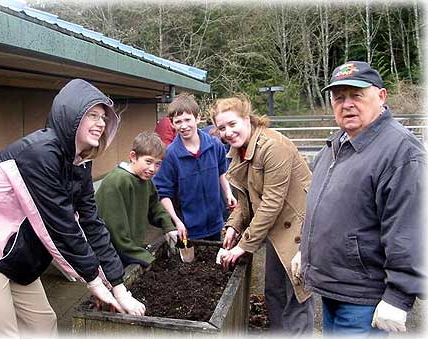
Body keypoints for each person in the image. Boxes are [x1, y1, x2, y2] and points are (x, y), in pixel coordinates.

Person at [0, 79, 145, 337]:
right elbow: (62, 226)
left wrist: (118, 286)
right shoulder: (40, 154)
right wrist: (94, 283)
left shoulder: (79, 163)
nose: (101, 123)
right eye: (92, 114)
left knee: (42, 324)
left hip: (14, 253)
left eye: (103, 117)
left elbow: (91, 223)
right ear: (71, 114)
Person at [291, 61, 426, 335]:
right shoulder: (337, 144)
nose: (347, 104)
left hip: (365, 299)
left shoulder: (400, 152)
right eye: (339, 97)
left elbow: (409, 229)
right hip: (333, 288)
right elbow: (322, 207)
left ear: (381, 96)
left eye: (356, 95)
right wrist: (305, 251)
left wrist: (399, 297)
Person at [210, 95, 314, 335]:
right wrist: (234, 226)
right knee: (274, 293)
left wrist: (243, 246)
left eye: (232, 124)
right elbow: (245, 197)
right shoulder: (239, 150)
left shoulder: (273, 146)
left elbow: (271, 203)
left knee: (296, 295)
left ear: (247, 119)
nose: (228, 132)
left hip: (297, 228)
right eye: (222, 128)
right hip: (274, 230)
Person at [153, 92, 237, 241]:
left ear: (198, 118)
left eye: (187, 119)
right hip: (188, 228)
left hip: (215, 223)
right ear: (172, 124)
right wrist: (176, 222)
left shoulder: (214, 145)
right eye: (178, 121)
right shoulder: (169, 156)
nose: (183, 126)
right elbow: (164, 194)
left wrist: (228, 194)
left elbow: (222, 172)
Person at [95, 131, 178, 268]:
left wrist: (168, 226)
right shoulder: (116, 182)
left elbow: (155, 207)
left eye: (158, 164)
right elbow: (115, 231)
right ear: (133, 157)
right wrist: (146, 258)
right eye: (148, 162)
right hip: (111, 254)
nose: (152, 169)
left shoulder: (145, 180)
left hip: (130, 248)